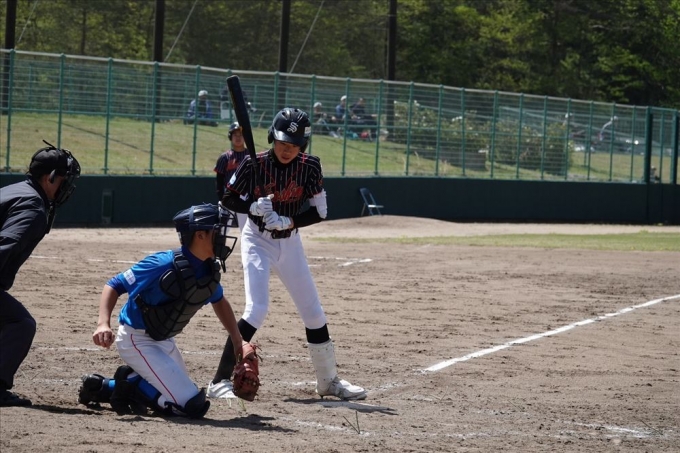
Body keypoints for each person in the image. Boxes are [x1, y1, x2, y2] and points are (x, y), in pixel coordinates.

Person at [207, 107, 366, 401]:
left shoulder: (310, 166)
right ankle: (218, 381)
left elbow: (320, 212)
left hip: (290, 242)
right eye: (282, 142)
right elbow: (228, 197)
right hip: (257, 239)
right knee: (256, 309)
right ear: (272, 138)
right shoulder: (253, 163)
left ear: (302, 145)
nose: (287, 149)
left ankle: (328, 381)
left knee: (313, 312)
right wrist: (252, 207)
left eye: (294, 145)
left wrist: (288, 221)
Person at [78, 203, 246, 418]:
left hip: (164, 341)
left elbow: (219, 301)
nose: (223, 237)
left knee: (179, 394)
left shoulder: (207, 268)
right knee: (190, 405)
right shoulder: (162, 263)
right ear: (200, 235)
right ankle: (131, 382)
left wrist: (238, 341)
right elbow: (114, 284)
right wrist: (103, 323)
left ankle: (103, 387)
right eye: (218, 231)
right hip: (136, 340)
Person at [0, 141, 81, 407]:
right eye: (65, 180)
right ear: (51, 178)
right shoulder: (32, 207)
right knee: (20, 323)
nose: (66, 187)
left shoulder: (14, 190)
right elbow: (5, 244)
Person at [214, 122, 249, 230]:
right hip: (228, 195)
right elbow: (219, 181)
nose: (238, 138)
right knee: (222, 229)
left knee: (247, 229)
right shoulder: (225, 157)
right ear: (230, 137)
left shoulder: (251, 156)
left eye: (241, 135)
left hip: (245, 196)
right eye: (235, 135)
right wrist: (221, 198)